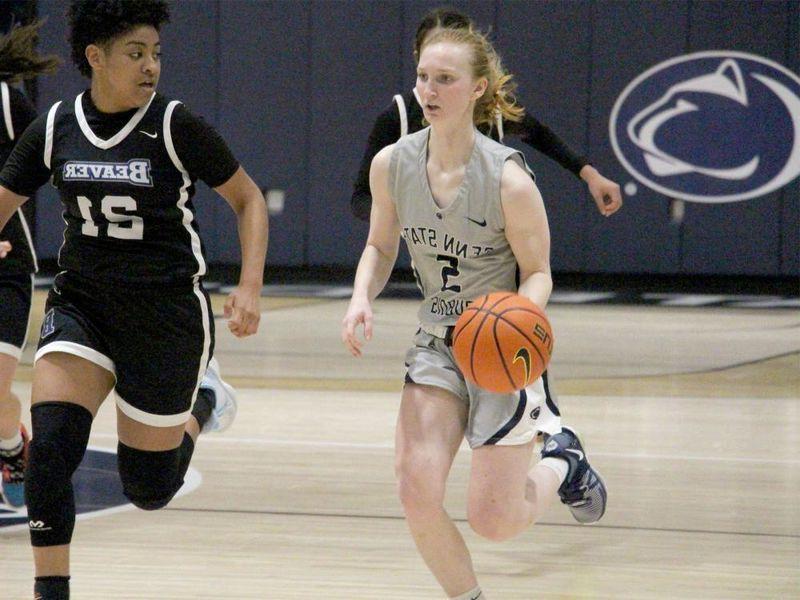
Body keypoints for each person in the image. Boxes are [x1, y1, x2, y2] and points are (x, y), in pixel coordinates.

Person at [0, 2, 267, 598]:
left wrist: (248, 286)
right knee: (49, 459)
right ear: (96, 58)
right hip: (82, 306)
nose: (151, 66)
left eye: (156, 54)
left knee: (149, 489)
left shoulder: (175, 126)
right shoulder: (57, 126)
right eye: (136, 53)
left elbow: (248, 200)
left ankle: (204, 401)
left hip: (166, 316)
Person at [342, 26, 606, 600]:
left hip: (498, 351)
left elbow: (539, 272)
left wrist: (516, 326)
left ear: (477, 89)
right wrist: (362, 295)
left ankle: (564, 459)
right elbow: (380, 246)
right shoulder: (392, 164)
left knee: (495, 520)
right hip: (437, 341)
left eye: (444, 79)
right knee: (416, 490)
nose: (428, 89)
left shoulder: (508, 179)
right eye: (422, 77)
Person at [350, 7, 622, 222]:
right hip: (439, 256)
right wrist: (403, 216)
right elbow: (361, 199)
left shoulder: (493, 107)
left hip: (492, 246)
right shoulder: (398, 116)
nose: (442, 56)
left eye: (450, 66)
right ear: (418, 58)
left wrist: (590, 175)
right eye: (433, 54)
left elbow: (539, 135)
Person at [0, 21, 60, 508]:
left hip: (7, 265)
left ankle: (13, 446)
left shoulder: (6, 102)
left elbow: (51, 157)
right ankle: (10, 442)